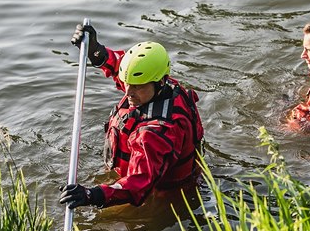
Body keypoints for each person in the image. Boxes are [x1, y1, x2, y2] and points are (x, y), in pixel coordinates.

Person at [59, 24, 204, 209]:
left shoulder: (157, 133)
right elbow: (120, 66)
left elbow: (139, 181)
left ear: (160, 81)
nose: (128, 92)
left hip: (163, 194)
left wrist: (92, 194)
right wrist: (95, 50)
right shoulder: (156, 85)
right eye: (127, 83)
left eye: (136, 86)